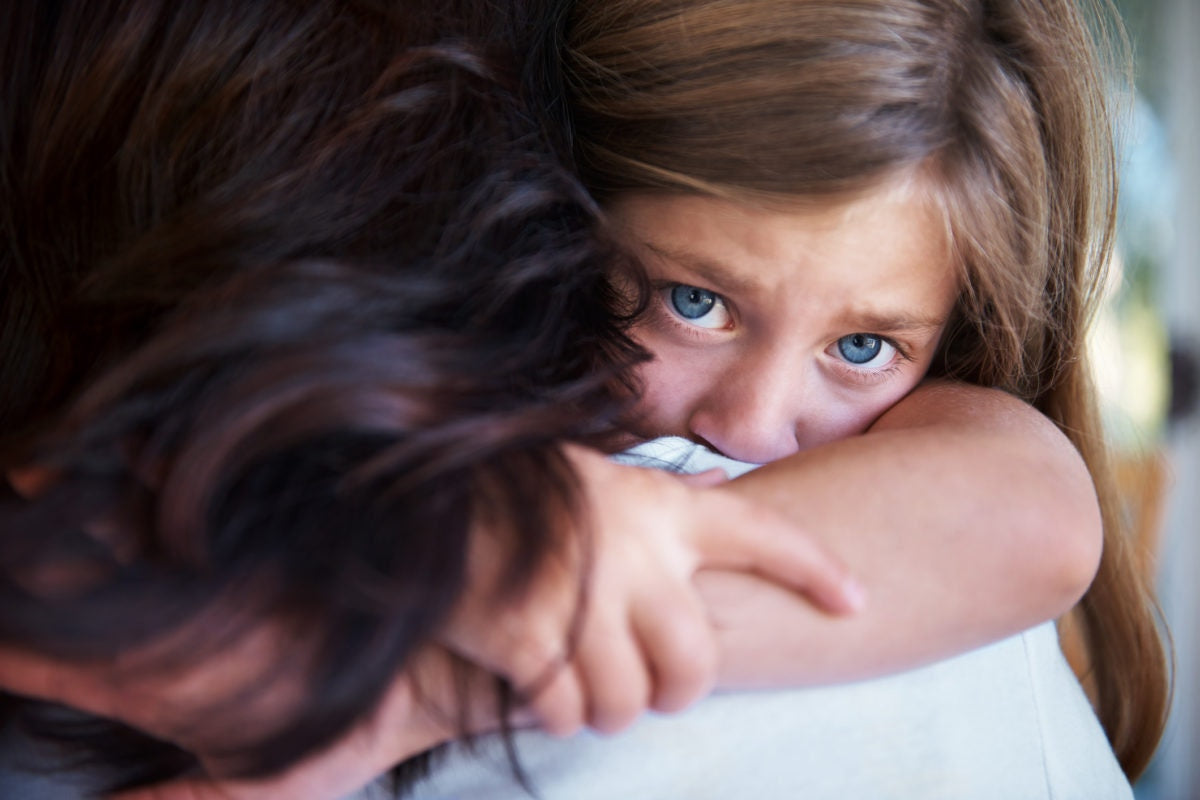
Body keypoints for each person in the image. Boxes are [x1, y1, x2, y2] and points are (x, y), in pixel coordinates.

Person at [0, 0, 1166, 798]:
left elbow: (1032, 506)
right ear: (553, 215)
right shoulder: (447, 407)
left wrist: (426, 684)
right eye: (693, 302)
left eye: (862, 343)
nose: (754, 425)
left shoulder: (900, 473)